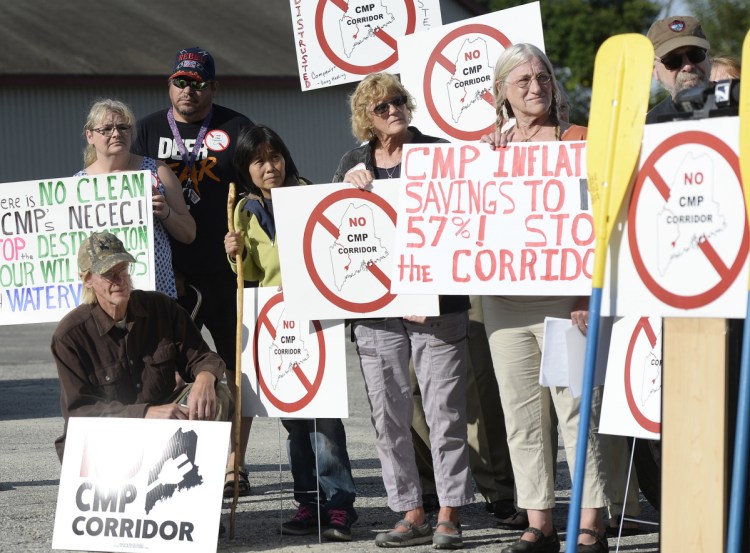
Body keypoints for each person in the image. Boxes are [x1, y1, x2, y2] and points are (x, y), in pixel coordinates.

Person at [333, 72, 472, 550]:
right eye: (381, 107)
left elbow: (463, 219)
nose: (393, 110)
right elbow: (334, 229)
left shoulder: (438, 151)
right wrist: (346, 190)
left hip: (437, 306)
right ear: (365, 119)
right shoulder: (352, 162)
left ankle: (450, 511)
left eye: (398, 101)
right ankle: (410, 511)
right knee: (388, 415)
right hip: (376, 310)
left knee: (444, 411)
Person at [481, 44, 609, 553]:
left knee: (577, 413)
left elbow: (600, 223)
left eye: (543, 78)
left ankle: (590, 521)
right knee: (521, 416)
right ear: (501, 94)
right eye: (523, 81)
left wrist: (585, 292)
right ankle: (540, 521)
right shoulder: (485, 150)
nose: (536, 88)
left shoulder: (580, 141)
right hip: (504, 303)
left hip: (566, 302)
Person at [223, 125, 358, 541]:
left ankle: (338, 506)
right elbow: (253, 276)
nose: (270, 167)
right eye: (259, 160)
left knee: (325, 420)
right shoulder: (243, 211)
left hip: (314, 318)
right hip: (276, 322)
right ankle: (308, 503)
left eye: (275, 157)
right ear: (247, 168)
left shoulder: (310, 195)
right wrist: (234, 255)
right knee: (294, 421)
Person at [131, 47, 255, 495]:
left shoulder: (236, 127)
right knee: (170, 370)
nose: (189, 90)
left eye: (198, 83)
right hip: (168, 277)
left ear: (213, 86)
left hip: (227, 269)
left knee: (238, 368)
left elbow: (260, 186)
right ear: (169, 84)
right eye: (181, 81)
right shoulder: (144, 130)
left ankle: (234, 463)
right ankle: (176, 464)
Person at [52, 232, 226, 461]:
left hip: (164, 426)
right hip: (110, 439)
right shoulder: (70, 336)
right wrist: (145, 414)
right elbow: (80, 412)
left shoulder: (161, 307)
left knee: (219, 393)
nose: (119, 280)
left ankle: (204, 482)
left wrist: (205, 378)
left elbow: (203, 357)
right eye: (108, 274)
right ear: (87, 280)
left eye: (122, 269)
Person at [410, 296, 520, 527]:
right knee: (409, 385)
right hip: (405, 274)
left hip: (463, 272)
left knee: (479, 384)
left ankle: (499, 488)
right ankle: (430, 483)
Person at [77, 99, 195, 299]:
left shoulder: (157, 171)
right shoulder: (78, 185)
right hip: (104, 296)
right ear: (90, 136)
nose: (116, 134)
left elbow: (189, 233)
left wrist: (165, 212)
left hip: (154, 292)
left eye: (123, 127)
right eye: (106, 129)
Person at [646, 16, 711, 124]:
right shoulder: (648, 127)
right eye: (673, 60)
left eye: (695, 54)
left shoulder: (741, 103)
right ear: (654, 71)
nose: (688, 66)